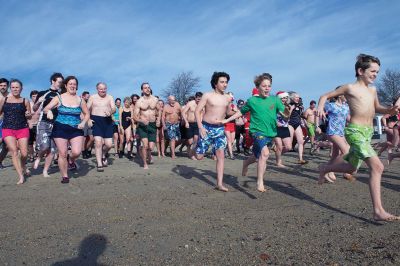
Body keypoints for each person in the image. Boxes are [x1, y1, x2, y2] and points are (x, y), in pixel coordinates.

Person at [317, 53, 399, 221]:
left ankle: (325, 168)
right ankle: (378, 211)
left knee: (351, 168)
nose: (376, 74)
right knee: (377, 167)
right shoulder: (349, 88)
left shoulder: (373, 89)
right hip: (355, 131)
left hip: (367, 133)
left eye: (377, 72)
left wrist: (389, 111)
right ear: (361, 71)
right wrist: (320, 107)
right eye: (373, 71)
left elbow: (377, 108)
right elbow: (325, 96)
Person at [229, 73, 287, 192]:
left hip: (270, 133)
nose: (267, 88)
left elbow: (285, 115)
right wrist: (228, 119)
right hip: (256, 132)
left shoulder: (275, 100)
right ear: (258, 87)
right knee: (265, 154)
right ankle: (260, 181)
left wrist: (286, 113)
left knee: (256, 156)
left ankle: (245, 163)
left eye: (269, 86)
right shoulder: (252, 101)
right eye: (264, 86)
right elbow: (241, 112)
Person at [189, 72, 240, 192]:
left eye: (226, 82)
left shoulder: (228, 98)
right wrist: (201, 127)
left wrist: (237, 113)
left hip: (220, 129)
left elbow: (228, 112)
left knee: (220, 156)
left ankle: (219, 184)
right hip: (206, 128)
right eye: (222, 82)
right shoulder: (207, 95)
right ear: (215, 83)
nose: (225, 84)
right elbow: (197, 111)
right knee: (199, 157)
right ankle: (194, 146)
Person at [43, 76, 89, 183]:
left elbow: (87, 114)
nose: (72, 86)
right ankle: (65, 175)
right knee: (62, 153)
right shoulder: (59, 97)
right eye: (70, 84)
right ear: (65, 85)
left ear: (77, 86)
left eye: (74, 84)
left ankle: (71, 160)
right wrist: (49, 112)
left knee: (77, 152)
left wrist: (83, 122)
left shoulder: (80, 99)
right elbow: (46, 108)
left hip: (76, 128)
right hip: (60, 127)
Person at [0, 79, 31, 184]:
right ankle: (20, 176)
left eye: (17, 87)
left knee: (24, 153)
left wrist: (28, 115)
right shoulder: (4, 100)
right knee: (13, 151)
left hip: (22, 127)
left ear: (21, 88)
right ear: (10, 88)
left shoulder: (25, 101)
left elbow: (29, 115)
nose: (15, 89)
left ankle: (23, 165)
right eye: (13, 87)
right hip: (7, 128)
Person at [33, 73, 64, 177]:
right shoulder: (43, 93)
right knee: (45, 146)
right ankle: (38, 157)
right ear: (53, 81)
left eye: (61, 82)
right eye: (59, 82)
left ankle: (45, 170)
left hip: (56, 124)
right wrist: (38, 102)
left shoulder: (61, 95)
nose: (60, 84)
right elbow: (34, 109)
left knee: (52, 150)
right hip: (44, 122)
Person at [323, 91, 354, 182]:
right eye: (346, 95)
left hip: (341, 132)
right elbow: (319, 112)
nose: (347, 96)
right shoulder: (331, 105)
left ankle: (327, 170)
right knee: (346, 151)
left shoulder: (346, 107)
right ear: (340, 95)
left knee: (335, 155)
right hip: (333, 132)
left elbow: (349, 119)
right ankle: (328, 169)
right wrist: (317, 125)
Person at [87, 82, 116, 171]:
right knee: (98, 142)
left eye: (104, 88)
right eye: (101, 89)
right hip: (96, 121)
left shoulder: (110, 97)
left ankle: (103, 154)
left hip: (107, 121)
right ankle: (99, 163)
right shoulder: (92, 97)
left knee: (109, 144)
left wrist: (110, 112)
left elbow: (114, 108)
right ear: (97, 89)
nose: (103, 90)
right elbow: (86, 109)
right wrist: (88, 119)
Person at [133, 83, 161, 169]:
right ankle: (145, 163)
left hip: (152, 125)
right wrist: (141, 120)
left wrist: (158, 120)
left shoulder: (155, 100)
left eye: (148, 87)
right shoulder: (139, 102)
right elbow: (134, 117)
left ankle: (146, 153)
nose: (147, 89)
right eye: (145, 88)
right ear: (142, 90)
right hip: (143, 126)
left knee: (151, 147)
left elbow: (159, 110)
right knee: (145, 145)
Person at [181, 92, 203, 159]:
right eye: (198, 99)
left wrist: (201, 123)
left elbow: (202, 114)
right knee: (190, 141)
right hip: (189, 124)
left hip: (197, 124)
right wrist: (186, 122)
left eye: (200, 99)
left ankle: (193, 154)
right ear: (195, 97)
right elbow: (183, 112)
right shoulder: (190, 103)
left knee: (196, 140)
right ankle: (189, 150)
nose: (199, 101)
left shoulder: (202, 105)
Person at [274, 91, 293, 167]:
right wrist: (275, 122)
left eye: (285, 98)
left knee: (288, 147)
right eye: (282, 98)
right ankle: (278, 162)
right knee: (279, 146)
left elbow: (287, 117)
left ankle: (277, 154)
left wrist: (290, 109)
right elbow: (270, 115)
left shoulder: (286, 106)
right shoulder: (274, 106)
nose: (284, 99)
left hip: (285, 127)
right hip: (276, 128)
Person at [288, 92, 308, 164]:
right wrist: (291, 109)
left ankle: (300, 159)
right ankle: (277, 149)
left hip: (297, 124)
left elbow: (300, 115)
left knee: (301, 142)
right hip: (290, 124)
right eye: (296, 97)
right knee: (288, 145)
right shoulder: (289, 105)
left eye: (298, 97)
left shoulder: (300, 107)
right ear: (292, 98)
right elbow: (286, 116)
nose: (298, 98)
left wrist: (304, 118)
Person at [224, 92, 237, 159]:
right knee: (229, 140)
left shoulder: (233, 105)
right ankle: (231, 154)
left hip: (233, 124)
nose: (231, 98)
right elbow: (228, 113)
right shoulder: (226, 104)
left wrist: (235, 112)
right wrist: (235, 112)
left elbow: (238, 113)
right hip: (227, 124)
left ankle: (226, 150)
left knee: (232, 141)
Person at [28, 90, 40, 162]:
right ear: (31, 97)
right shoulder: (28, 104)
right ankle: (31, 156)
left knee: (39, 142)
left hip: (39, 125)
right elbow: (25, 115)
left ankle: (38, 155)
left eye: (36, 96)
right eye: (33, 96)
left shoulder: (41, 105)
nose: (35, 98)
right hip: (30, 125)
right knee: (30, 143)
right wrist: (29, 123)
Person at [0, 78, 10, 169]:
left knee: (7, 146)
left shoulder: (11, 96)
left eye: (4, 85)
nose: (3, 87)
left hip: (8, 122)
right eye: (1, 85)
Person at [81, 91, 94, 159]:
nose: (88, 98)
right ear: (83, 96)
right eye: (87, 96)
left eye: (89, 97)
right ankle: (83, 152)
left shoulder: (89, 103)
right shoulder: (81, 103)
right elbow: (81, 114)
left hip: (90, 122)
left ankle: (86, 150)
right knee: (84, 138)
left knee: (92, 138)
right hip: (83, 122)